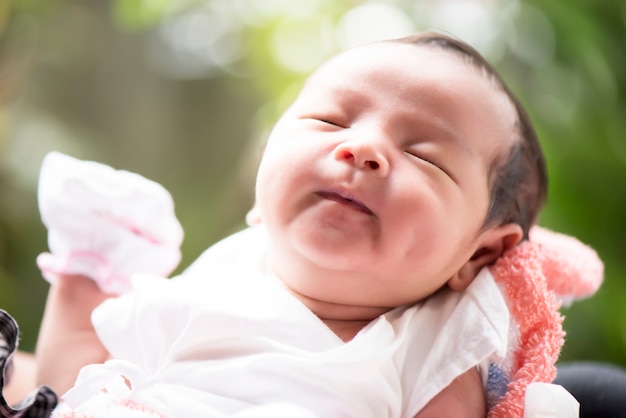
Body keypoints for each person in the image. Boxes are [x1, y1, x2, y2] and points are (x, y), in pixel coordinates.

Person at [5, 31, 561, 417]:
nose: (361, 147)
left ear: (479, 256)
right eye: (328, 119)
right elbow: (69, 387)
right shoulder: (220, 279)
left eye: (425, 156)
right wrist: (85, 284)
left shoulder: (438, 342)